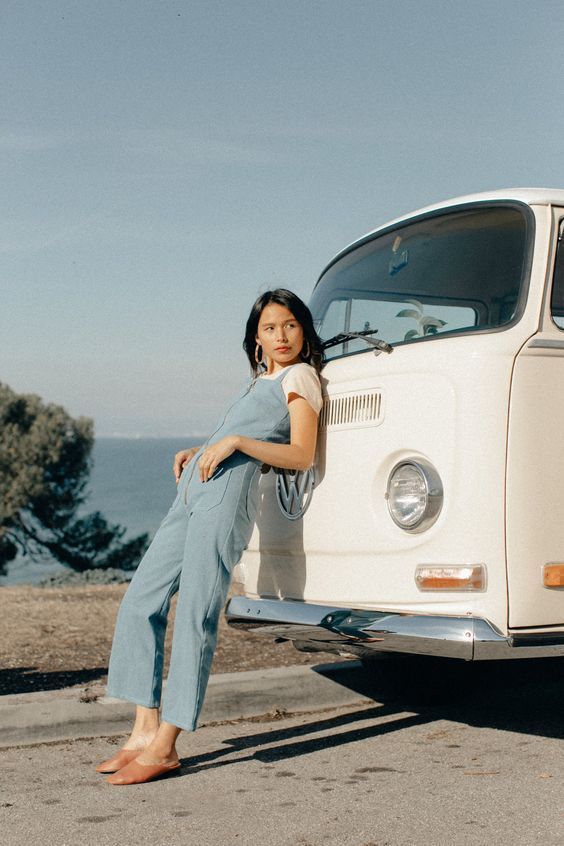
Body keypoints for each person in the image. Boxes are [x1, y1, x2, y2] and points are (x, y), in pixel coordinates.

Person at [97, 288, 324, 785]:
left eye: (289, 324)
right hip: (192, 496)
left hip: (225, 506)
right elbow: (238, 440)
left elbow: (302, 453)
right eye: (269, 328)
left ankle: (166, 745)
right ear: (256, 338)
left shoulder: (301, 377)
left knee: (197, 613)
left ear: (303, 330)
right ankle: (142, 728)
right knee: (140, 601)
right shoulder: (258, 381)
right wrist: (203, 448)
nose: (280, 335)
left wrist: (237, 442)